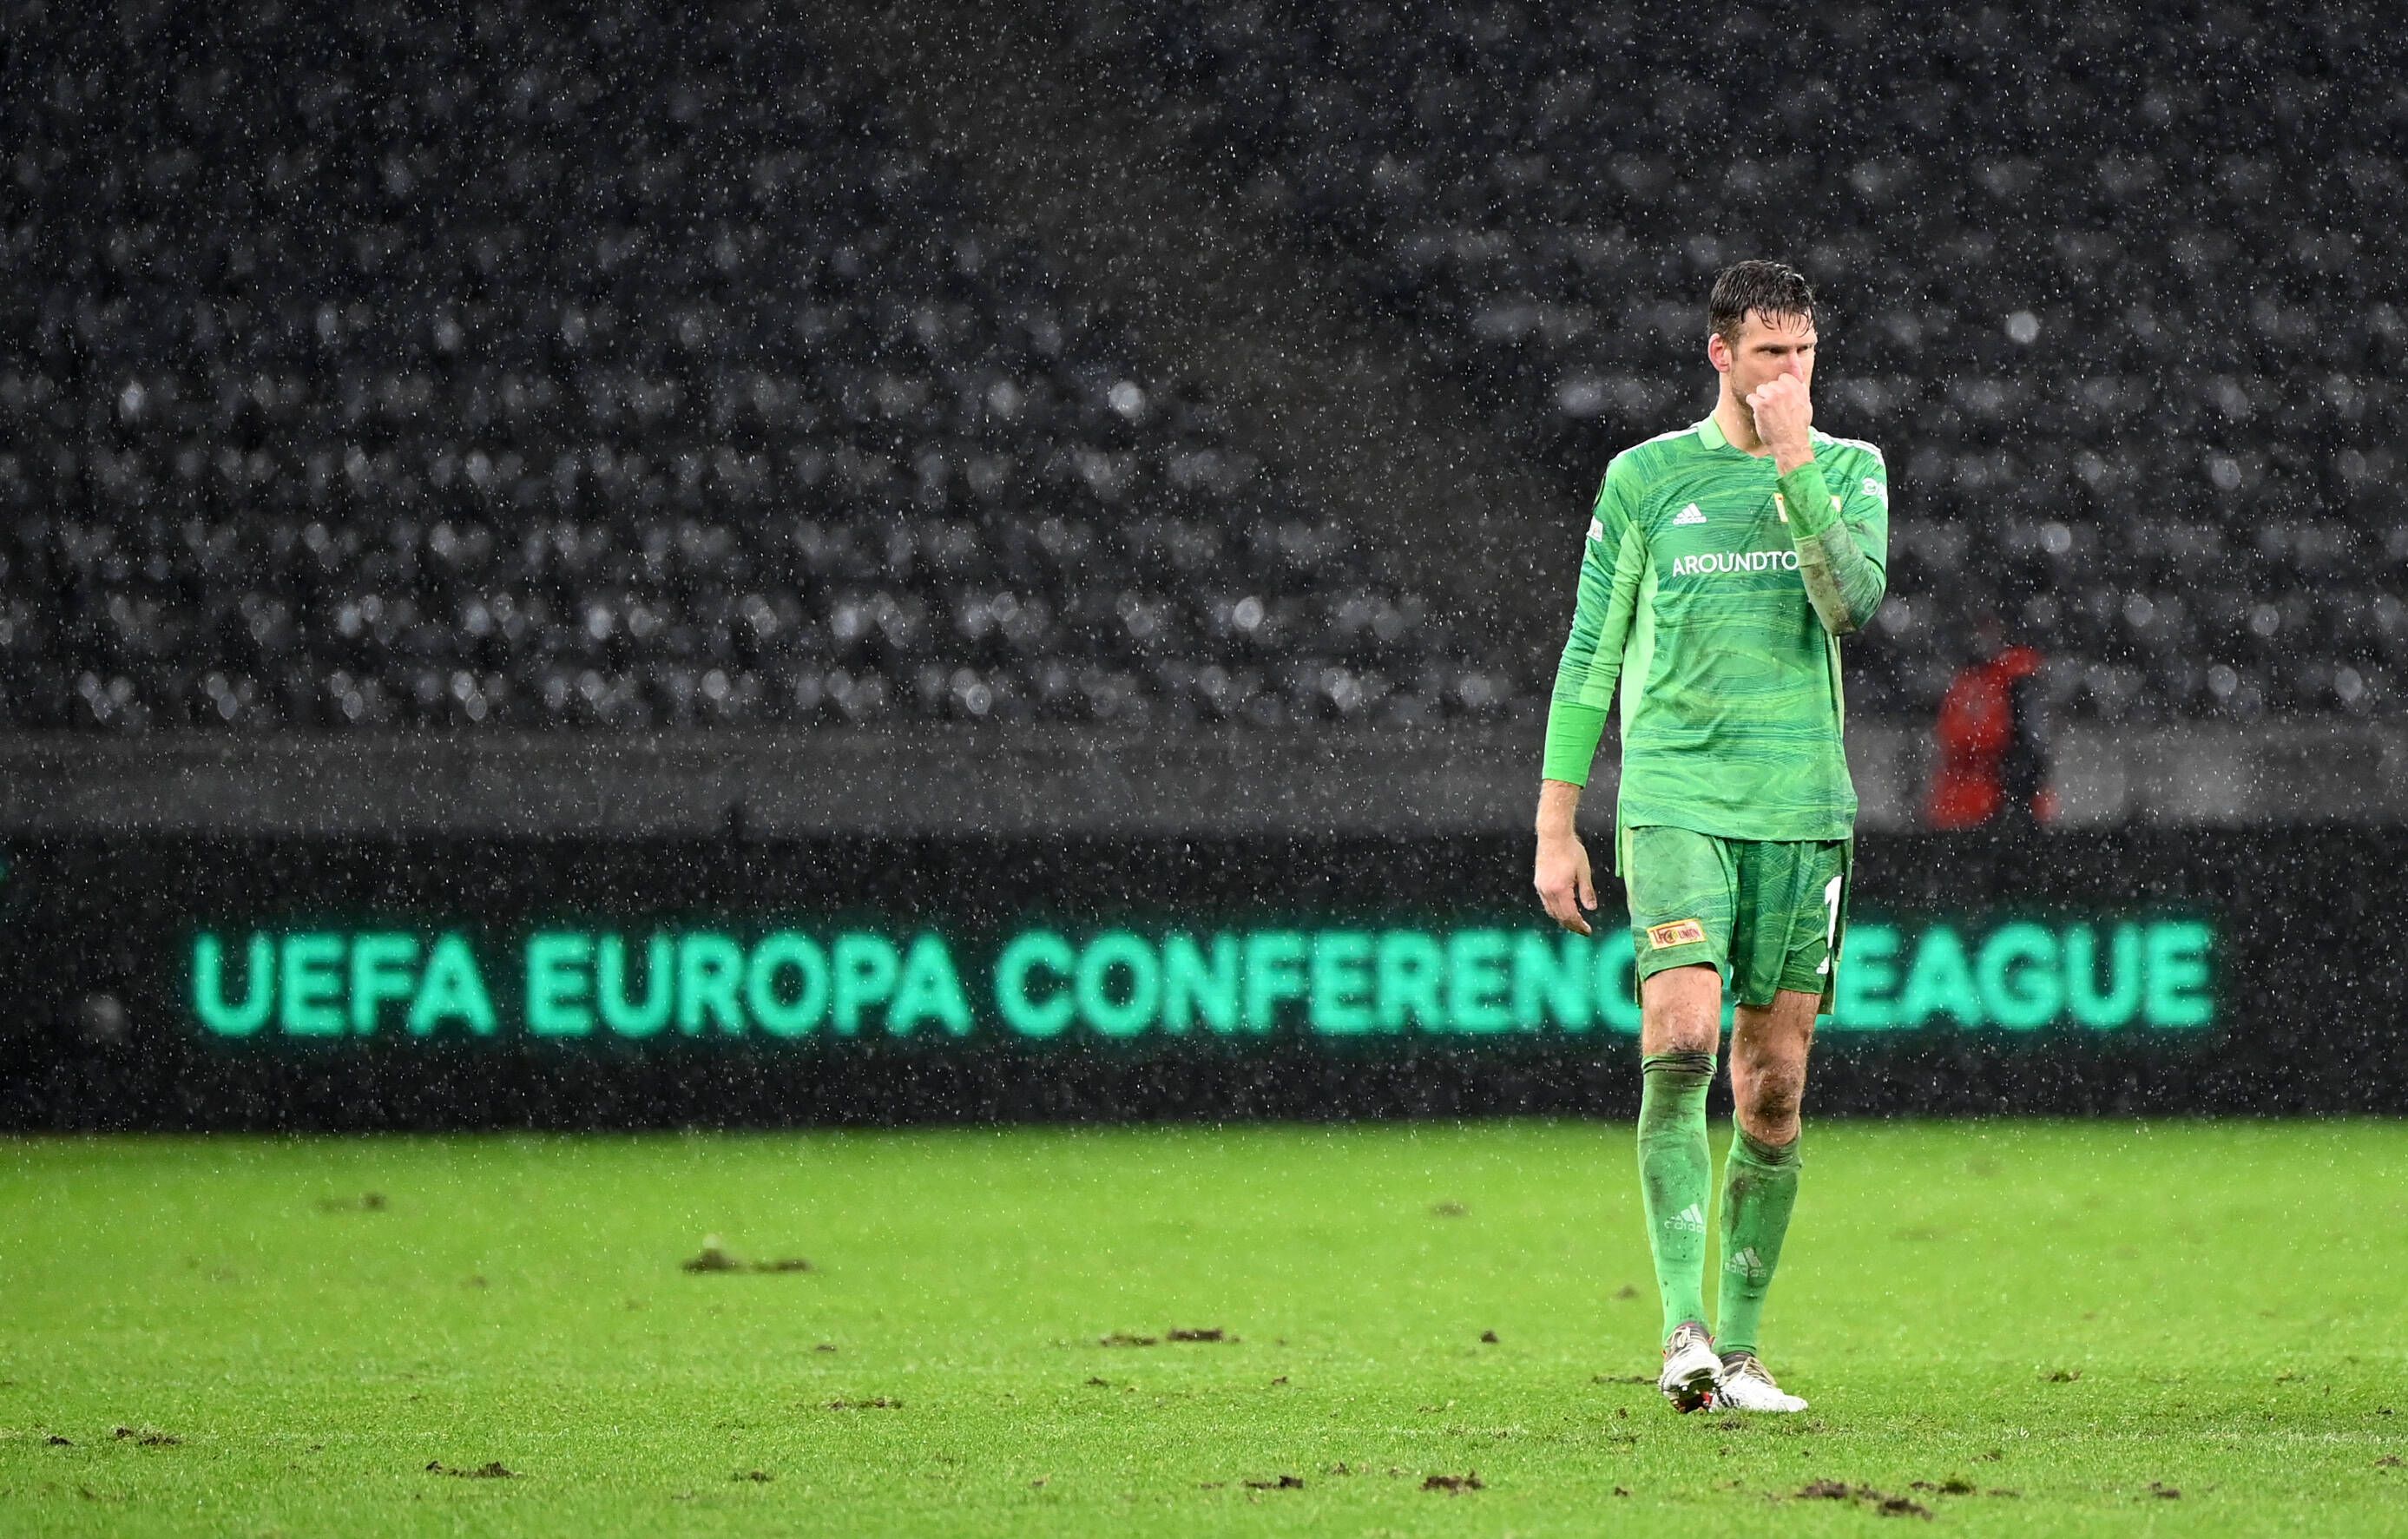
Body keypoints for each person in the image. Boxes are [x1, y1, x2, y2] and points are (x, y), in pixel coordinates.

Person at [1531, 260, 1889, 1414]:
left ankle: (1738, 1351)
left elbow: (1853, 604)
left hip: (1800, 807)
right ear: (1718, 354)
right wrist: (1556, 823)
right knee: (1681, 1036)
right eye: (1768, 353)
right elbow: (1591, 653)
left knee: (1772, 1086)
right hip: (1676, 796)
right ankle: (1679, 1330)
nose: (1789, 375)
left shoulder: (1847, 470)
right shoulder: (1644, 480)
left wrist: (1793, 467)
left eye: (1804, 354)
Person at [1926, 621, 2054, 830]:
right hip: (1979, 802)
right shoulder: (1980, 682)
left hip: (1986, 801)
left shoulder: (1995, 679)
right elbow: (1968, 738)